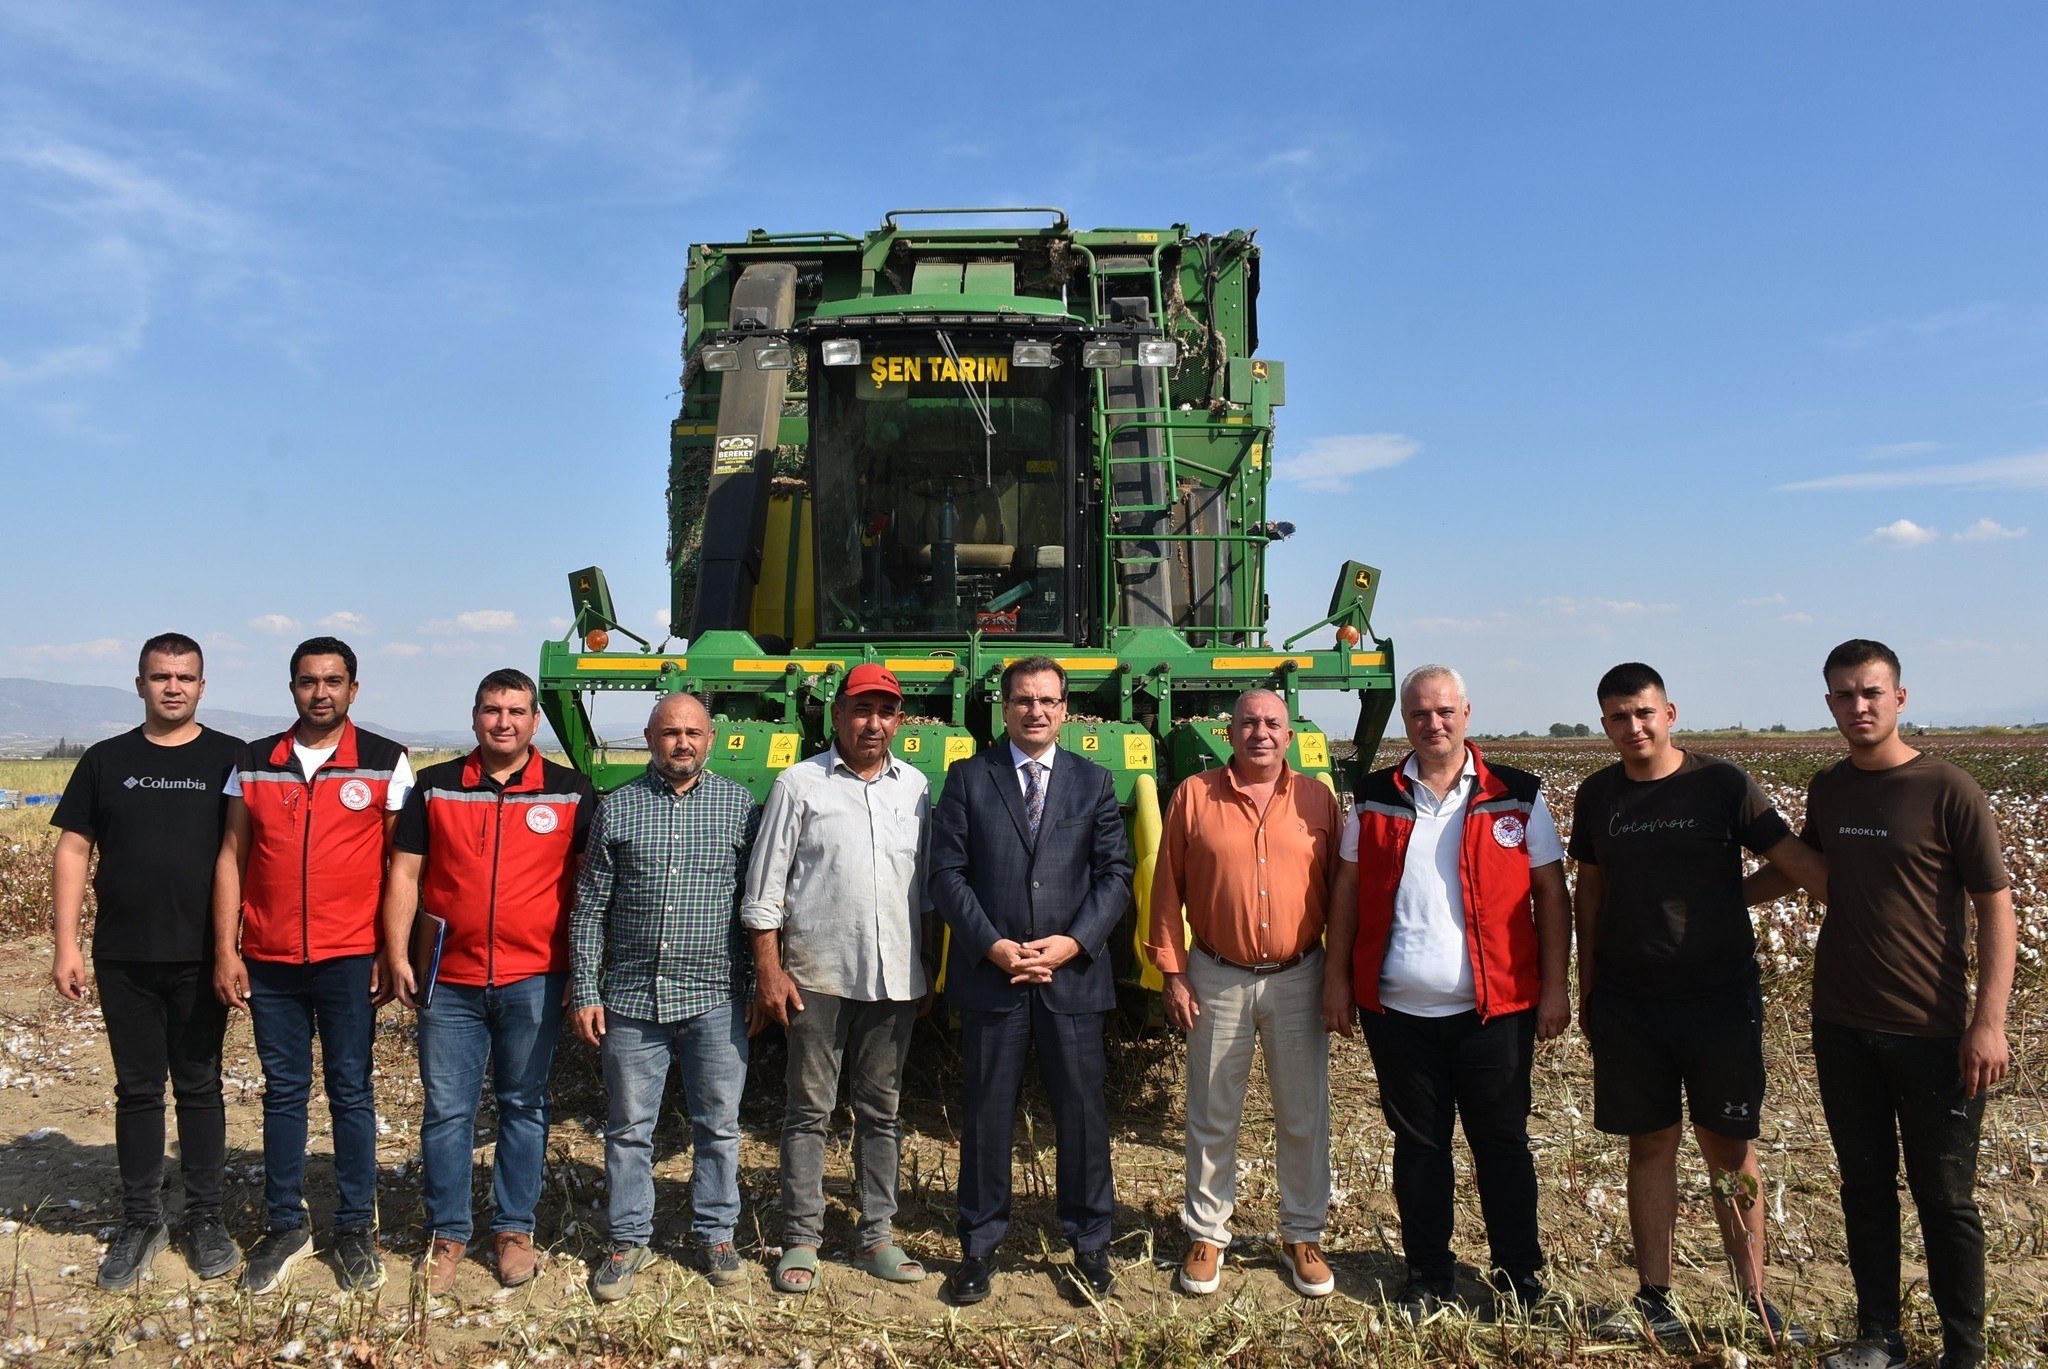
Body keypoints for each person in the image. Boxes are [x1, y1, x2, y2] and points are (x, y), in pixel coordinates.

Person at [1750, 642, 2012, 1369]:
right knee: (1864, 1185)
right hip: (1841, 1022)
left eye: (1870, 692)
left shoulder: (1948, 788)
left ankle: (1965, 1349)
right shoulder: (1830, 786)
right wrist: (1716, 897)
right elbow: (1804, 868)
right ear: (1828, 704)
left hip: (1931, 1030)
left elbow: (1997, 906)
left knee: (1945, 1196)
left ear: (1901, 697)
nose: (1857, 706)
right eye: (1842, 695)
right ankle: (1879, 1338)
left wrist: (1988, 1022)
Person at [1572, 662, 1825, 1348]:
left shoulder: (1722, 783)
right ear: (1605, 724)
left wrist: (1869, 903)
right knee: (1648, 1142)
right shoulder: (1597, 796)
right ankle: (1656, 1294)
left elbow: (1797, 863)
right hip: (1628, 1001)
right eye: (1620, 716)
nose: (1634, 726)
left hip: (1719, 998)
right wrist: (1585, 987)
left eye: (1645, 712)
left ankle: (1755, 1297)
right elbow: (1587, 895)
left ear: (1671, 712)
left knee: (1730, 1148)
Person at [1323, 665, 1572, 1317]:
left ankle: (1519, 1277)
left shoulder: (1516, 794)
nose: (1433, 724)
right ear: (1405, 721)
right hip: (1398, 1013)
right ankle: (1428, 1275)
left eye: (1444, 711)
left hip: (1495, 1012)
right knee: (1420, 1149)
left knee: (1503, 1146)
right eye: (1419, 714)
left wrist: (1555, 988)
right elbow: (1346, 892)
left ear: (1466, 712)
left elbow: (1551, 893)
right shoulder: (1374, 794)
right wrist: (1337, 982)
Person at [380, 669, 595, 1294]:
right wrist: (398, 955)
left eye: (517, 711)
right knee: (448, 1110)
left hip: (533, 977)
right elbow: (404, 876)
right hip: (449, 979)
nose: (504, 722)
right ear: (475, 717)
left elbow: (588, 891)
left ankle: (513, 1229)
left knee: (524, 1106)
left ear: (534, 721)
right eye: (492, 710)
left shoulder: (570, 792)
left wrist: (581, 971)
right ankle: (447, 1232)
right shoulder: (436, 787)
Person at [213, 636, 413, 1294]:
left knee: (352, 1091)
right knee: (284, 1092)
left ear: (354, 689)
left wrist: (392, 948)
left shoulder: (385, 761)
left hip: (350, 959)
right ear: (292, 687)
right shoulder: (253, 762)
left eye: (333, 680)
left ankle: (355, 1227)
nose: (320, 691)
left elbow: (399, 868)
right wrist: (226, 947)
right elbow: (232, 858)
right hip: (270, 960)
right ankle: (285, 1225)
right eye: (307, 681)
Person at [931, 656, 1132, 1306]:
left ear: (1066, 710)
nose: (1036, 711)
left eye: (1048, 700)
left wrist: (1072, 942)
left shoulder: (1093, 782)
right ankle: (979, 1244)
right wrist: (991, 945)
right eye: (1023, 699)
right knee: (987, 1114)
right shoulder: (968, 779)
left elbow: (1115, 875)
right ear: (1004, 706)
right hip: (994, 977)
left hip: (1070, 976)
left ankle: (1090, 1243)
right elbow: (947, 875)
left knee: (1080, 1113)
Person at [50, 634, 244, 1290]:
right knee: (136, 1089)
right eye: (160, 676)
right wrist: (66, 943)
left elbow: (249, 853)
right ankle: (141, 1220)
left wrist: (238, 948)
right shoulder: (106, 760)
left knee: (199, 1084)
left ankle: (207, 1218)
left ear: (201, 686)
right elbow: (74, 848)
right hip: (124, 955)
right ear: (139, 684)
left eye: (184, 676)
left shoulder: (229, 758)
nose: (172, 686)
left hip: (201, 956)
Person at [743, 663, 935, 1294]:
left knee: (882, 1112)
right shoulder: (800, 784)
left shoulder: (917, 789)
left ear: (899, 721)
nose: (872, 724)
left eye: (885, 712)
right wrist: (768, 969)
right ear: (837, 716)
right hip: (817, 975)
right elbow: (765, 887)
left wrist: (928, 969)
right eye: (860, 710)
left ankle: (877, 1234)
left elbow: (928, 892)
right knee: (808, 1111)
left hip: (895, 978)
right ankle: (801, 1236)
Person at [1144, 689, 1341, 1299]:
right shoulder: (1194, 796)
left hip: (1299, 973)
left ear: (1290, 736)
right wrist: (1173, 972)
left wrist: (1341, 978)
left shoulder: (1318, 800)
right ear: (1228, 733)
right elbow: (1165, 886)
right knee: (1211, 1107)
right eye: (1249, 722)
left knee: (1304, 1111)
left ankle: (1301, 1234)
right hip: (1216, 973)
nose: (1261, 732)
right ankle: (1207, 1232)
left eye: (1272, 723)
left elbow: (1342, 892)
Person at [570, 693, 760, 1301]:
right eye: (669, 732)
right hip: (631, 997)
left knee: (719, 1125)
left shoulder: (739, 807)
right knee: (628, 1127)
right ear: (649, 737)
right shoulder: (619, 808)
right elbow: (590, 907)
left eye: (693, 733)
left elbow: (759, 906)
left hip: (716, 996)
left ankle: (717, 1233)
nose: (682, 743)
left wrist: (757, 984)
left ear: (712, 740)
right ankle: (627, 1239)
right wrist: (585, 988)